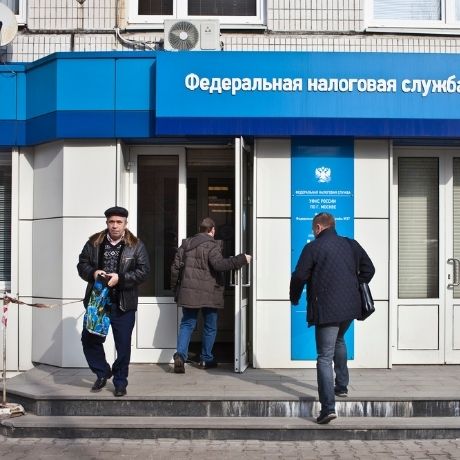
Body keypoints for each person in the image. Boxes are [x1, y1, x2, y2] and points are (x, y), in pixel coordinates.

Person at [289, 212, 375, 424]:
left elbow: (299, 276)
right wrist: (354, 284)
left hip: (326, 308)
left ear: (318, 228)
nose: (313, 232)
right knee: (339, 340)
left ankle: (328, 408)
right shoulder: (351, 244)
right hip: (350, 307)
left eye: (313, 229)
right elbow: (369, 269)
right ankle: (342, 386)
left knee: (324, 357)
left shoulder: (313, 248)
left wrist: (294, 297)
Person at [77, 206, 150, 396]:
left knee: (123, 345)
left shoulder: (136, 245)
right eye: (111, 222)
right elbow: (82, 264)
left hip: (123, 303)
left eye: (119, 222)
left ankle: (120, 382)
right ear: (107, 223)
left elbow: (144, 272)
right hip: (98, 303)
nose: (115, 226)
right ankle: (102, 372)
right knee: (89, 339)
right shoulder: (94, 242)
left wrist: (121, 278)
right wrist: (93, 273)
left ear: (125, 223)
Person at [170, 217, 251, 373]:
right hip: (210, 292)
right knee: (210, 326)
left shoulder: (185, 245)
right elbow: (219, 265)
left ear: (200, 230)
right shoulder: (212, 245)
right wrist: (241, 259)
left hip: (188, 292)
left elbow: (175, 268)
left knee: (187, 324)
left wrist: (176, 289)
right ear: (212, 230)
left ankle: (180, 355)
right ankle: (206, 359)